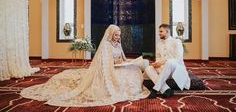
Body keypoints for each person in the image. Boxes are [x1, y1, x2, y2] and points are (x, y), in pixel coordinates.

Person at [20, 24, 150, 107]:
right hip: (109, 69)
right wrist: (116, 63)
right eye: (116, 35)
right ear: (110, 34)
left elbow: (122, 57)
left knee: (133, 69)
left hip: (118, 66)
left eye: (119, 35)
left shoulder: (118, 43)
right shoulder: (106, 45)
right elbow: (106, 62)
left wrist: (126, 62)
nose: (118, 37)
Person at [145, 24, 190, 99]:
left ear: (167, 31)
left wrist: (163, 62)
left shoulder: (176, 41)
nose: (159, 33)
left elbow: (179, 59)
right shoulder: (158, 44)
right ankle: (166, 90)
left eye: (161, 31)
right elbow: (158, 59)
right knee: (148, 68)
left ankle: (155, 90)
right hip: (164, 70)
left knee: (169, 62)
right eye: (159, 31)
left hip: (177, 69)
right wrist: (156, 64)